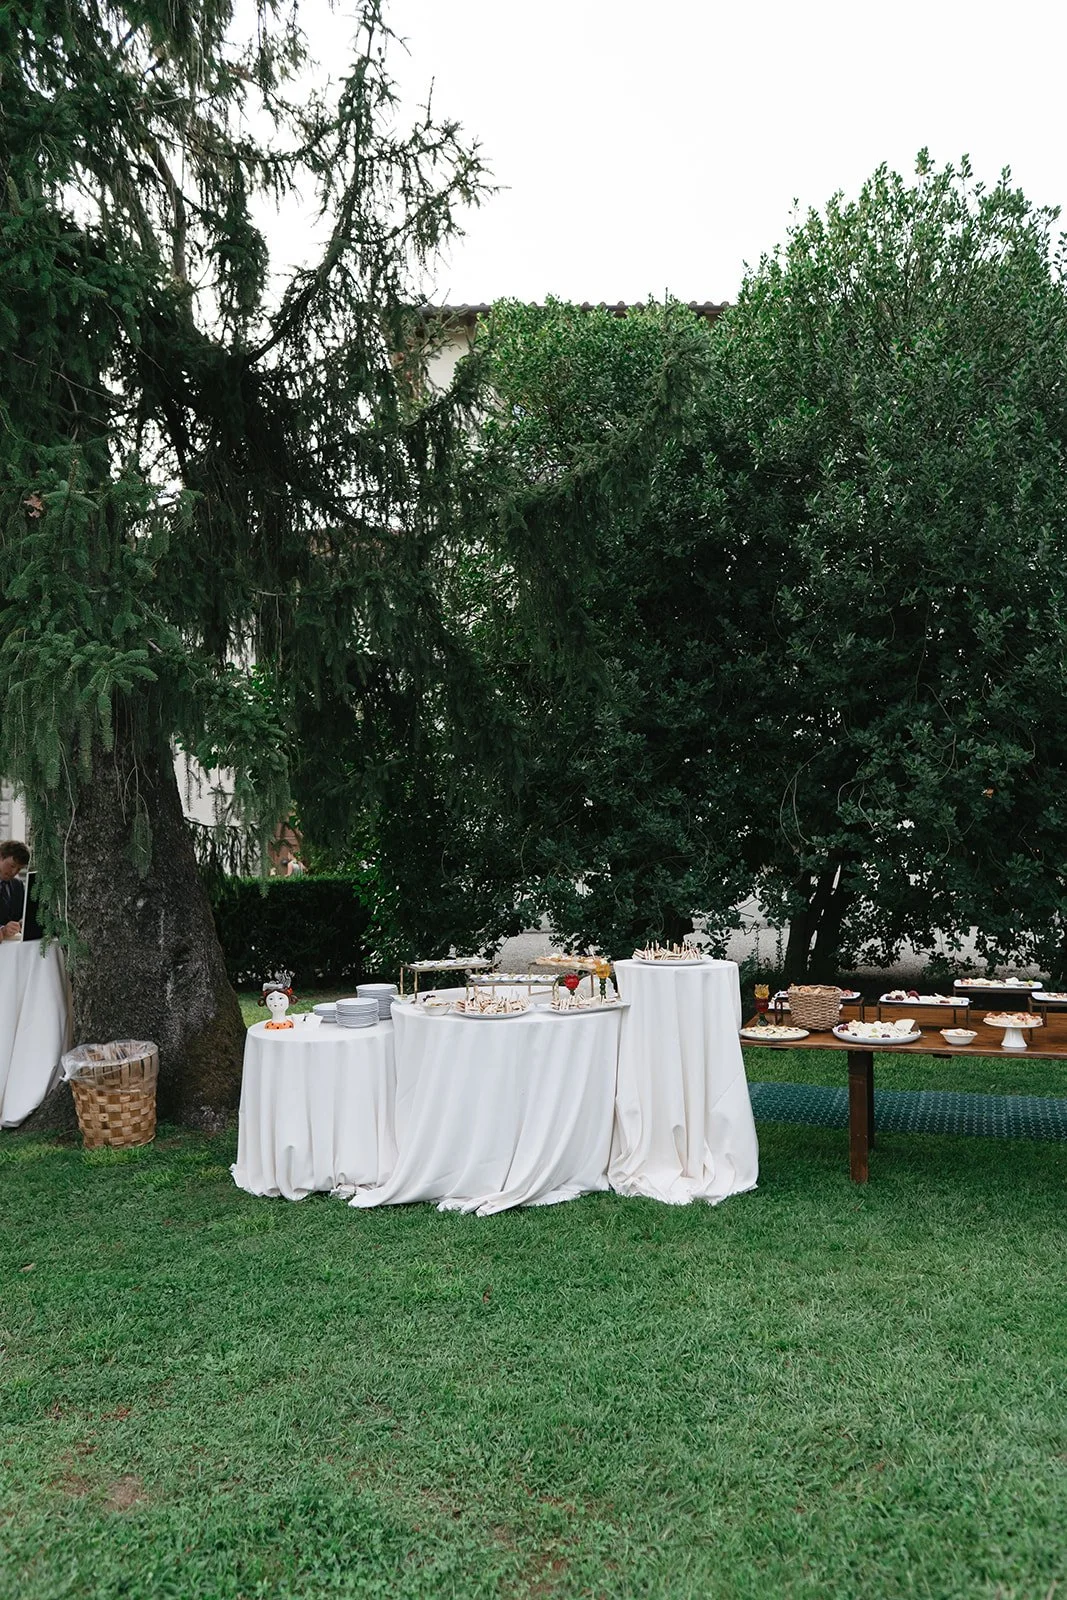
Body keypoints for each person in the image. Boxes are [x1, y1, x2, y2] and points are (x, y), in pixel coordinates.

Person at [0, 840, 30, 940]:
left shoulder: (18, 885)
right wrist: (2, 930)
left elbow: (22, 914)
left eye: (19, 869)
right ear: (1, 857)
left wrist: (22, 923)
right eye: (12, 866)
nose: (14, 872)